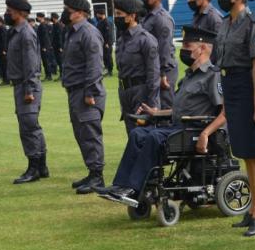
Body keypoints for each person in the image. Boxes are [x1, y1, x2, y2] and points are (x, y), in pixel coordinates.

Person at [96, 26, 224, 202]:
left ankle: (134, 189)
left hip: (194, 130)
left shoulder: (213, 76)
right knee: (137, 134)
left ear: (202, 48)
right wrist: (156, 112)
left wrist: (205, 134)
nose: (184, 50)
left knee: (154, 136)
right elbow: (182, 111)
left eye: (188, 45)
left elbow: (226, 112)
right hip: (178, 127)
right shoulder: (189, 76)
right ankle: (121, 185)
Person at [213, 0, 255, 237]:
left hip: (249, 88)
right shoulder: (225, 23)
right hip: (232, 87)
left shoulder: (253, 24)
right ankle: (252, 210)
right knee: (245, 153)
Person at [62, 0, 107, 194]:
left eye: (68, 10)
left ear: (80, 12)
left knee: (90, 133)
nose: (65, 13)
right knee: (81, 133)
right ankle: (92, 172)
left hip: (85, 92)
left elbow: (95, 66)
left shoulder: (88, 32)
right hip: (74, 90)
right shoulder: (72, 32)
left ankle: (97, 177)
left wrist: (90, 92)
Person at [5, 0, 50, 184]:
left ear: (20, 13)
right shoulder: (17, 32)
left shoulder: (25, 33)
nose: (7, 13)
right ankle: (41, 166)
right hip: (21, 85)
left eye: (9, 11)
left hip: (26, 86)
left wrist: (29, 89)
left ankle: (34, 168)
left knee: (29, 127)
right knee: (31, 126)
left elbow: (32, 64)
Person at [113, 0, 160, 133]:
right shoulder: (122, 39)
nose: (116, 17)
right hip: (125, 92)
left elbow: (153, 74)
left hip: (141, 92)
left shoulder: (146, 40)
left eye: (119, 14)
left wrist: (152, 105)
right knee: (131, 134)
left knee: (143, 134)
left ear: (132, 16)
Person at [141, 0, 177, 110]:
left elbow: (164, 48)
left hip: (164, 70)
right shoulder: (147, 15)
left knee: (165, 107)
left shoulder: (162, 19)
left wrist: (163, 74)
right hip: (153, 68)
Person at [35, 12, 56, 81]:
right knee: (45, 61)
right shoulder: (44, 25)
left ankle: (48, 75)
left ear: (40, 17)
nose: (37, 18)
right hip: (45, 45)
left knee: (46, 61)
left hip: (44, 46)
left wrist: (44, 46)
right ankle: (48, 75)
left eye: (37, 17)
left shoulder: (43, 25)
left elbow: (45, 37)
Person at [94, 6, 114, 76]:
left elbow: (108, 34)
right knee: (104, 57)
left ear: (101, 14)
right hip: (101, 43)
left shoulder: (107, 22)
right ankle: (106, 69)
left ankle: (110, 70)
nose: (96, 16)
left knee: (108, 56)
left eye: (97, 14)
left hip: (106, 43)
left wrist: (107, 43)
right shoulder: (100, 22)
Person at [50, 12, 64, 77]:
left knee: (60, 61)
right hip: (55, 46)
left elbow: (60, 36)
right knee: (58, 61)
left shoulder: (58, 25)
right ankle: (61, 74)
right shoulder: (54, 25)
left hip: (59, 46)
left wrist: (61, 46)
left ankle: (62, 75)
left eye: (52, 17)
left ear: (54, 18)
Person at [0, 16, 8, 85]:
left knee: (4, 65)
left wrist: (4, 49)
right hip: (0, 49)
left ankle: (6, 80)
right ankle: (4, 79)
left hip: (2, 49)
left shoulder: (2, 28)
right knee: (2, 65)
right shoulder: (0, 28)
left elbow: (4, 39)